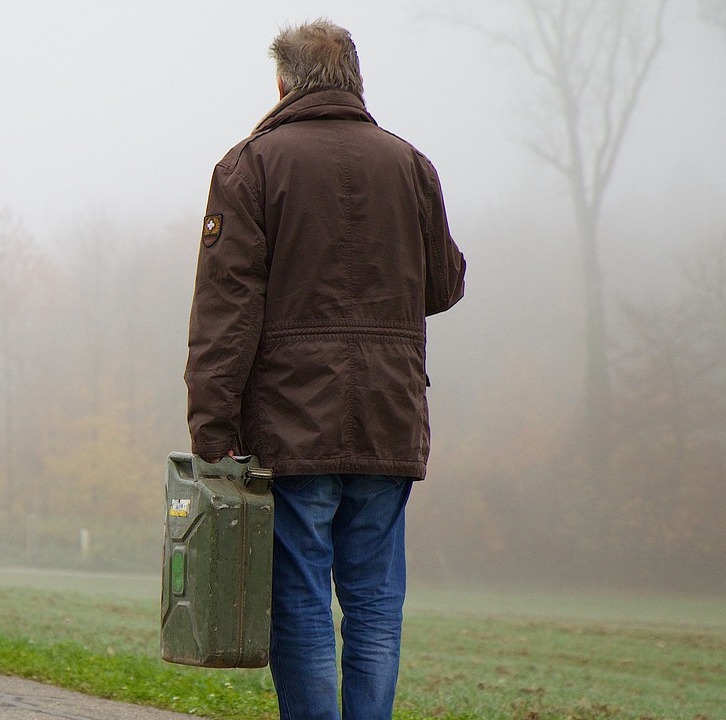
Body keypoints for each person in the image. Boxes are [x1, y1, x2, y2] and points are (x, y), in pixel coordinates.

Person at [183, 19, 466, 720]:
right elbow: (445, 286)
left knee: (303, 598)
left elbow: (227, 314)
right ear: (356, 80)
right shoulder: (411, 165)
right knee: (374, 604)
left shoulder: (249, 166)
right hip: (390, 417)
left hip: (291, 422)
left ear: (283, 83)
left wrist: (211, 429)